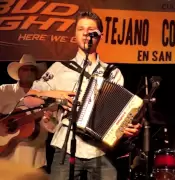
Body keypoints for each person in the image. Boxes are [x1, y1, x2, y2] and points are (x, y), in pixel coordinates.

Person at [23, 11, 142, 180]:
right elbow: (29, 98)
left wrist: (125, 128)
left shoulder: (113, 73)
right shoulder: (60, 68)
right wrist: (55, 95)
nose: (86, 33)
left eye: (91, 29)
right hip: (66, 145)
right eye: (81, 29)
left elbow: (117, 114)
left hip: (101, 151)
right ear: (75, 34)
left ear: (101, 35)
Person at [0, 54, 49, 171]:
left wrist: (49, 119)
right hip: (6, 159)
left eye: (32, 69)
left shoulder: (46, 95)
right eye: (25, 69)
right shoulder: (4, 90)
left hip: (35, 157)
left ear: (37, 74)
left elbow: (53, 124)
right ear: (18, 73)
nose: (29, 72)